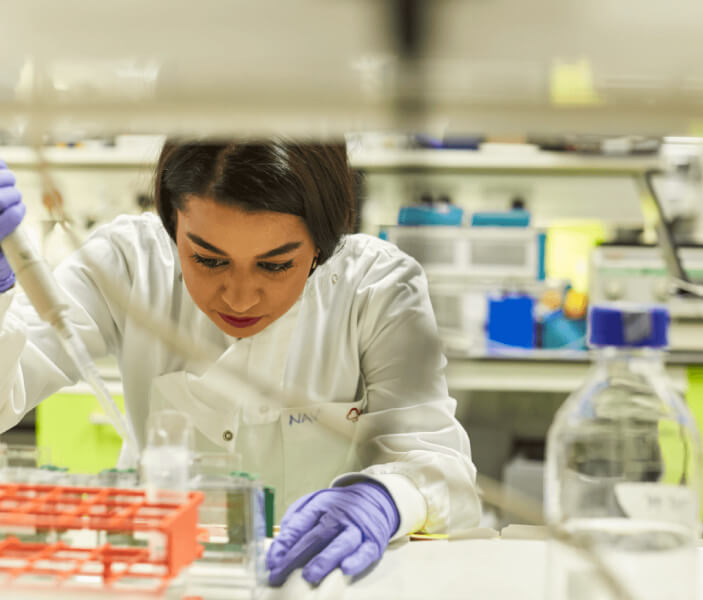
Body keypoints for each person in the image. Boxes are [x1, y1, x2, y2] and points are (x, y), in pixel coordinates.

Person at [0, 142, 481, 586]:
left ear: (324, 243)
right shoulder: (127, 263)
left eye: (275, 265)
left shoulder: (378, 288)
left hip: (323, 583)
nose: (239, 296)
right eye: (208, 260)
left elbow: (441, 468)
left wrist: (386, 499)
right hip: (167, 576)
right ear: (172, 226)